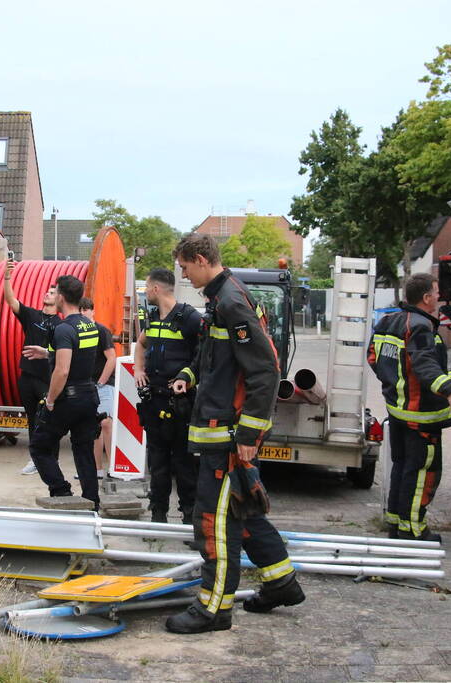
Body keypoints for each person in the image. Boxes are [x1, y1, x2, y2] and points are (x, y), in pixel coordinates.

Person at [166, 233, 304, 634]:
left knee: (212, 521)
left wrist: (248, 435)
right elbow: (215, 360)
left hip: (228, 438)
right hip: (223, 432)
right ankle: (281, 583)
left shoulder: (230, 302)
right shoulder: (220, 299)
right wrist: (188, 376)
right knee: (243, 512)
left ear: (200, 259)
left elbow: (265, 370)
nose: (186, 276)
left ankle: (213, 609)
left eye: (186, 268)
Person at [367, 273, 451, 543]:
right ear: (425, 298)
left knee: (402, 467)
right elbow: (424, 364)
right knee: (422, 471)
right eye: (436, 292)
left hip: (397, 410)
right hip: (421, 416)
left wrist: (393, 381)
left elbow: (373, 356)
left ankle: (397, 523)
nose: (439, 296)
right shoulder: (420, 326)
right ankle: (412, 529)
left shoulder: (388, 321)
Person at [133, 268, 202, 524]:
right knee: (157, 461)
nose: (146, 293)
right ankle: (158, 516)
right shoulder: (152, 317)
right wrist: (138, 369)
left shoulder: (189, 318)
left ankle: (190, 518)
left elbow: (204, 354)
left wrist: (186, 376)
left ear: (155, 289)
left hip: (180, 403)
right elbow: (141, 344)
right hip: (155, 401)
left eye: (147, 288)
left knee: (184, 463)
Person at [28, 275, 102, 508]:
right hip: (88, 396)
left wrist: (50, 399)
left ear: (61, 297)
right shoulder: (89, 325)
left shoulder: (63, 329)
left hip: (66, 400)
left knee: (39, 446)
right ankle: (92, 501)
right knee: (83, 449)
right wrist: (47, 352)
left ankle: (61, 492)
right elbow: (78, 355)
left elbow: (62, 370)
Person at [3, 257, 59, 475]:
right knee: (32, 420)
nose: (47, 293)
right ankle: (35, 460)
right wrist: (8, 277)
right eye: (47, 292)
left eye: (52, 293)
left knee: (48, 421)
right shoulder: (32, 315)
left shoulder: (61, 324)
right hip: (27, 376)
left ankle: (50, 460)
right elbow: (11, 300)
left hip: (47, 380)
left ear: (59, 298)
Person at [79, 297, 117, 478]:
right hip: (86, 385)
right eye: (80, 310)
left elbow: (112, 358)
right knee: (93, 427)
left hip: (104, 384)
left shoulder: (102, 331)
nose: (83, 313)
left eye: (86, 309)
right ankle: (97, 469)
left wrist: (101, 382)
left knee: (106, 423)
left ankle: (112, 468)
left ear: (92, 311)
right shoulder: (77, 332)